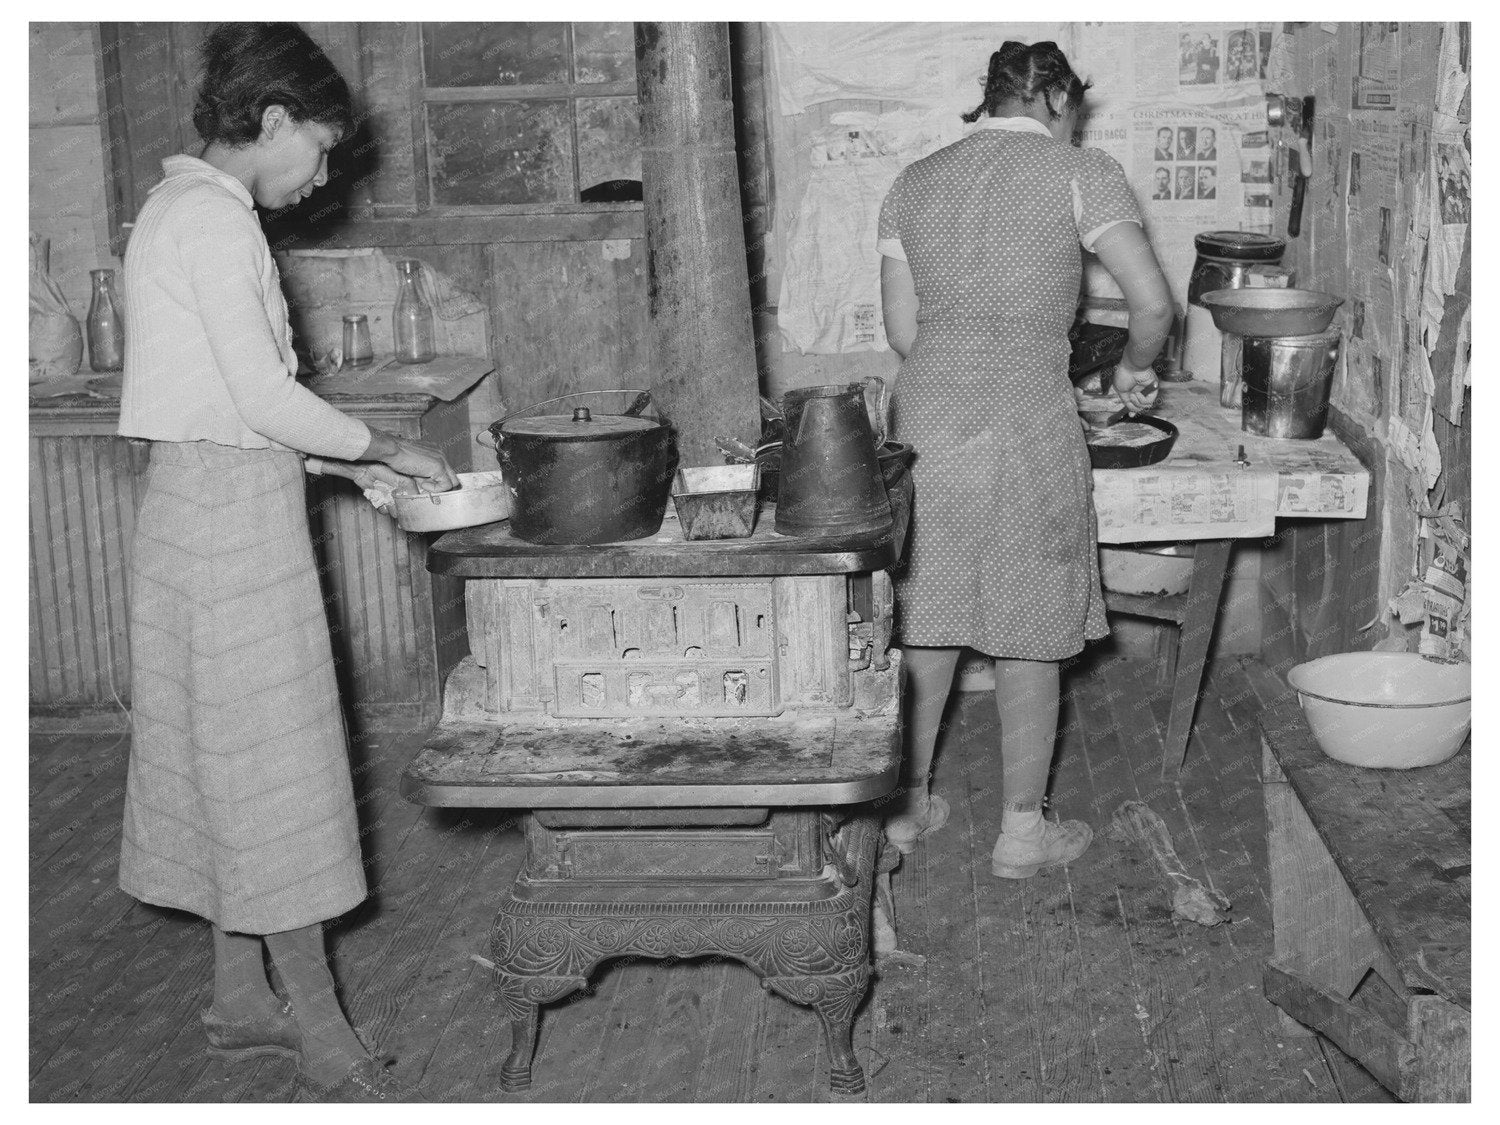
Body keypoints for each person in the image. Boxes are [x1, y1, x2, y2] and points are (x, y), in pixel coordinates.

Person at [116, 23, 457, 1103]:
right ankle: (318, 1027)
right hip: (229, 537)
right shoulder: (215, 226)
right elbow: (261, 402)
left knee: (229, 763)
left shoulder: (176, 211)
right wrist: (386, 445)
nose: (319, 179)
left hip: (209, 508)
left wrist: (338, 472)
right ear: (267, 123)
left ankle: (239, 1003)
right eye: (314, 150)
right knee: (277, 776)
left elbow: (224, 418)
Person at [876, 41, 1170, 878]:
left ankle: (902, 816)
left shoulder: (913, 182)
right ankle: (1019, 836)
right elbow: (1152, 304)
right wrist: (1136, 370)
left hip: (926, 418)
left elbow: (906, 336)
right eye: (1069, 104)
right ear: (1048, 95)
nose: (1071, 119)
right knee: (1031, 626)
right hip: (1025, 422)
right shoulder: (1084, 173)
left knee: (924, 620)